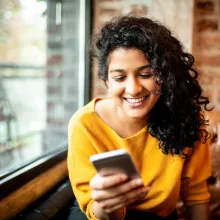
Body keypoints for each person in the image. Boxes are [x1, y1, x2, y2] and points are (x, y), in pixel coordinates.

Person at [67, 16, 212, 220]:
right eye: (119, 78)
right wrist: (109, 203)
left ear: (165, 75)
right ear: (106, 81)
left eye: (146, 74)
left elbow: (196, 194)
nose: (133, 89)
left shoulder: (186, 118)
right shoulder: (85, 124)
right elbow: (94, 210)